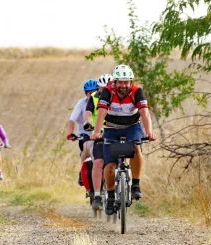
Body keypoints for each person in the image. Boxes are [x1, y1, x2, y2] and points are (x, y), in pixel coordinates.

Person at [91, 65, 157, 215]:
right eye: (120, 82)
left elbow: (144, 114)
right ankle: (111, 197)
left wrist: (149, 132)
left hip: (132, 126)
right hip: (111, 128)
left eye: (126, 82)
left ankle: (135, 185)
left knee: (136, 147)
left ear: (131, 82)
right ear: (114, 82)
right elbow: (101, 113)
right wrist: (96, 132)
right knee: (109, 164)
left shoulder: (137, 91)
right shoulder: (108, 91)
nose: (123, 86)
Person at [83, 74, 113, 210]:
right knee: (98, 162)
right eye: (102, 89)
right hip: (99, 135)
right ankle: (97, 196)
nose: (104, 91)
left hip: (115, 133)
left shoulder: (117, 97)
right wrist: (88, 123)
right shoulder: (94, 97)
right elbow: (88, 113)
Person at [66, 79, 99, 186]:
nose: (92, 95)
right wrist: (70, 133)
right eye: (90, 93)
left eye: (95, 92)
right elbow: (72, 120)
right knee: (86, 147)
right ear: (86, 94)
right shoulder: (81, 103)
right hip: (85, 134)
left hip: (99, 133)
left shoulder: (102, 102)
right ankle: (82, 172)